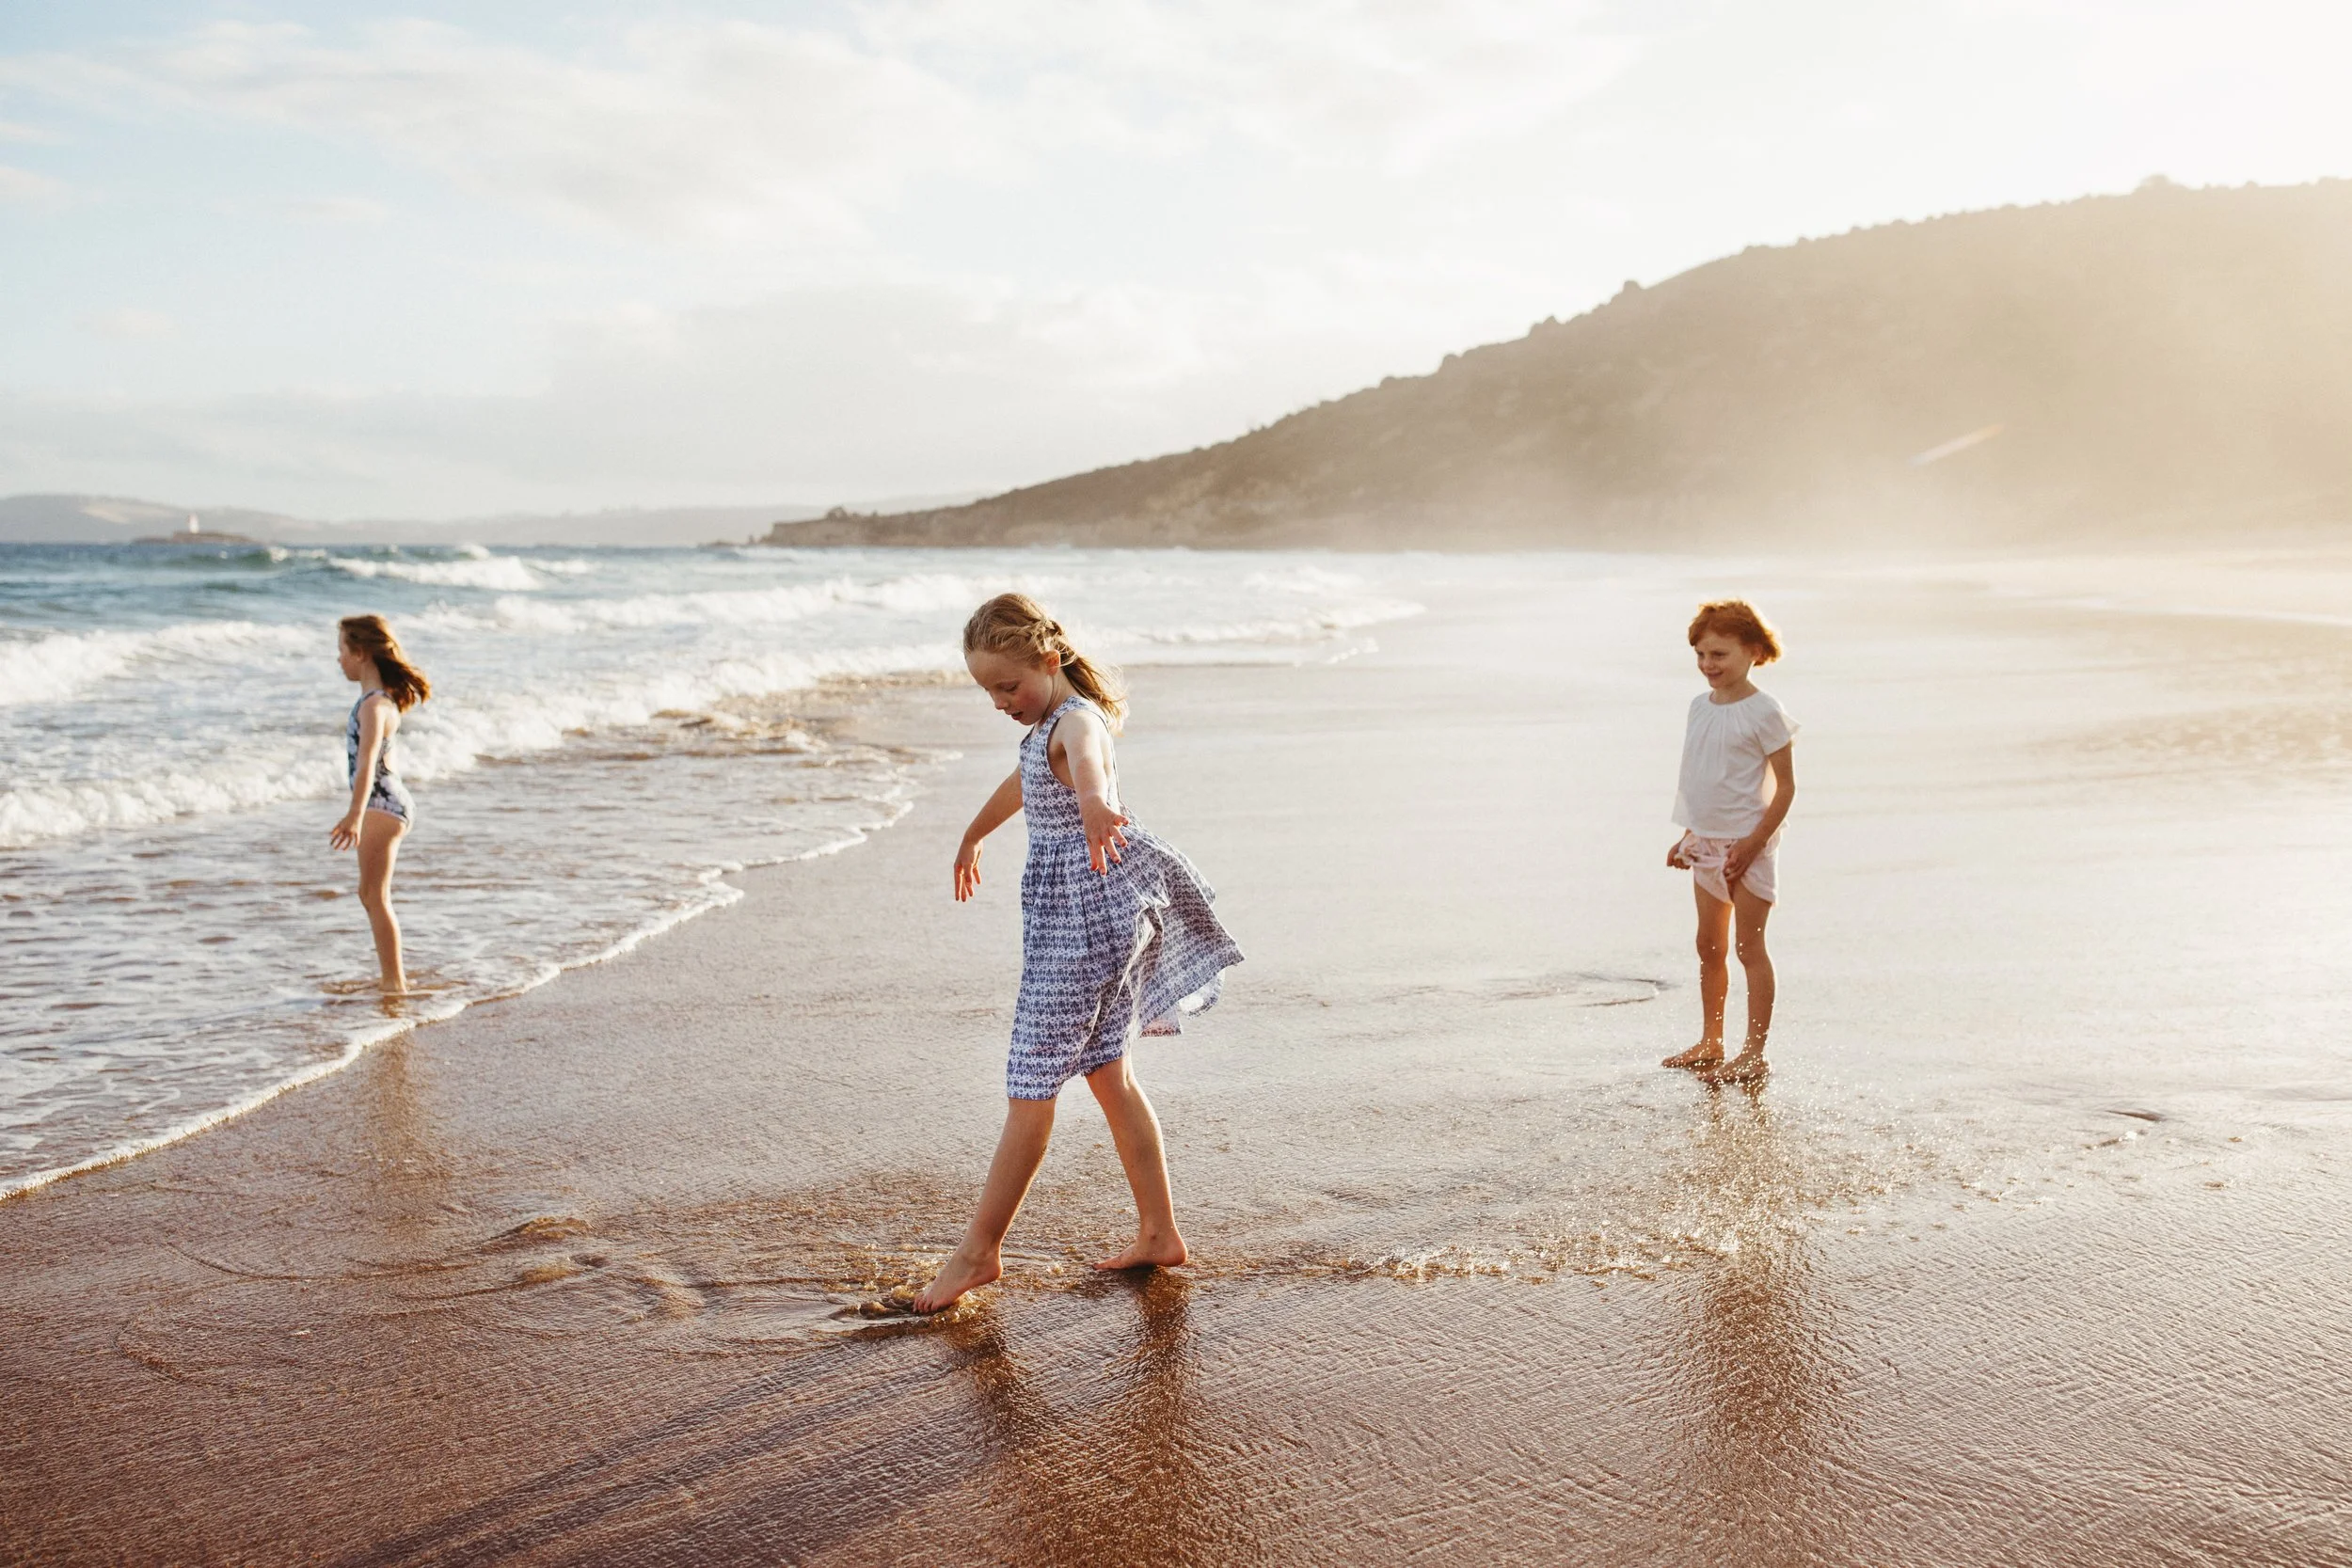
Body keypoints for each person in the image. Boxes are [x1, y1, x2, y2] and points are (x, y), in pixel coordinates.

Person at [913, 594, 1243, 1314]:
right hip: (1083, 922)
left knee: (1030, 1085)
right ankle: (1160, 1232)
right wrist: (973, 833)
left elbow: (1088, 761)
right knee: (1108, 1075)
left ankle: (979, 1251)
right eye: (988, 691)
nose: (1001, 701)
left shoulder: (1077, 720)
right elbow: (1023, 784)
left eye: (1009, 685)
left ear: (1050, 659)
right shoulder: (1041, 732)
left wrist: (1096, 802)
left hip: (1086, 928)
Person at [1661, 600, 1797, 1083]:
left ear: (1754, 651)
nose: (1708, 665)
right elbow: (1699, 776)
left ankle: (1754, 1052)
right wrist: (1688, 835)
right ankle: (1711, 1040)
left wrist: (1754, 844)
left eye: (1719, 654)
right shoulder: (1699, 707)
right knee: (1708, 945)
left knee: (1749, 948)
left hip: (1747, 846)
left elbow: (1786, 788)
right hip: (1707, 842)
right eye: (1700, 654)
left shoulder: (1765, 712)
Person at [329, 613, 429, 995]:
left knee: (374, 896)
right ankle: (392, 978)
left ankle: (394, 984)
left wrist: (355, 814)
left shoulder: (373, 705)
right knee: (371, 894)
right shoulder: (381, 702)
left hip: (381, 805)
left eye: (341, 650)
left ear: (361, 653)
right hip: (389, 803)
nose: (338, 660)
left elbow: (368, 760)